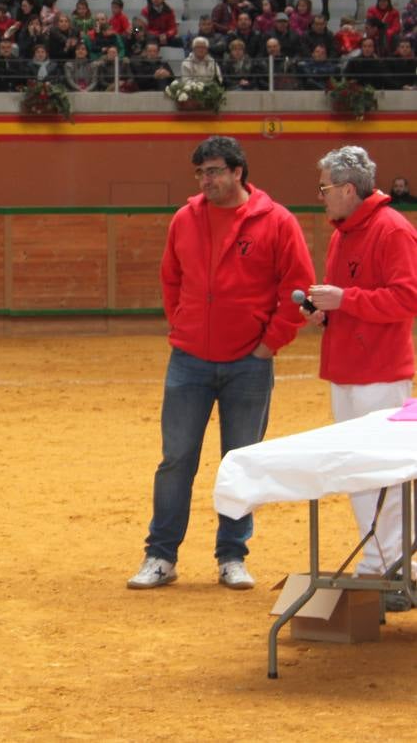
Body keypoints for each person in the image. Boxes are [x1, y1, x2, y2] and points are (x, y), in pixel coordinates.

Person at [128, 136, 313, 592]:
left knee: (240, 462)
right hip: (189, 358)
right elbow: (171, 279)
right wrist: (183, 325)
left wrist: (270, 344)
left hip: (250, 362)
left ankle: (232, 555)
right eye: (200, 173)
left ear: (237, 172)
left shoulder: (277, 221)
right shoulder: (184, 219)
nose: (205, 180)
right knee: (176, 461)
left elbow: (298, 288)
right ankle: (161, 555)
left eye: (213, 171)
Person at [306, 147, 417, 610]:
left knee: (385, 476)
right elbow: (352, 298)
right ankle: (376, 564)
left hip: (380, 374)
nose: (321, 197)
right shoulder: (343, 232)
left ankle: (398, 569)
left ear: (349, 189)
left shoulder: (392, 230)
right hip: (348, 370)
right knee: (359, 473)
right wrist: (324, 312)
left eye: (325, 189)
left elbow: (406, 299)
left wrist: (344, 301)